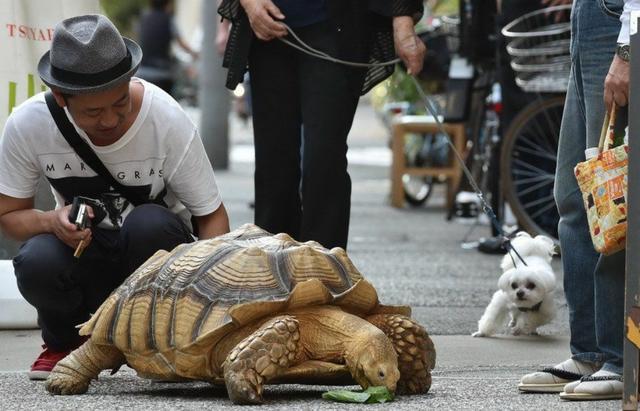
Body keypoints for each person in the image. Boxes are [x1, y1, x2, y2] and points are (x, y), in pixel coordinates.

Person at [0, 14, 230, 380]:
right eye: (93, 111)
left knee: (150, 223)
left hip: (152, 266)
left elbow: (212, 217)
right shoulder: (28, 124)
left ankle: (153, 343)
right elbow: (9, 215)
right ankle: (65, 342)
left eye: (120, 103)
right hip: (82, 256)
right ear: (61, 99)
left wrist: (211, 311)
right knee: (35, 259)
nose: (110, 120)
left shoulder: (166, 118)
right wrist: (51, 222)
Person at [218, 0, 426, 249]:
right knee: (273, 162)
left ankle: (326, 271)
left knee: (323, 159)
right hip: (267, 26)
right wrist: (250, 4)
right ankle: (272, 273)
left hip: (336, 26)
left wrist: (403, 25)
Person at [519, 0, 638, 401]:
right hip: (590, 17)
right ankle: (588, 351)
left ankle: (621, 357)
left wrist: (627, 50)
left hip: (618, 20)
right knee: (574, 197)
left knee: (612, 200)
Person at [137, 0, 199, 95]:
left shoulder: (144, 18)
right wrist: (194, 53)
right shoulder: (168, 19)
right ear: (167, 4)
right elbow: (181, 44)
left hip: (142, 71)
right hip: (162, 73)